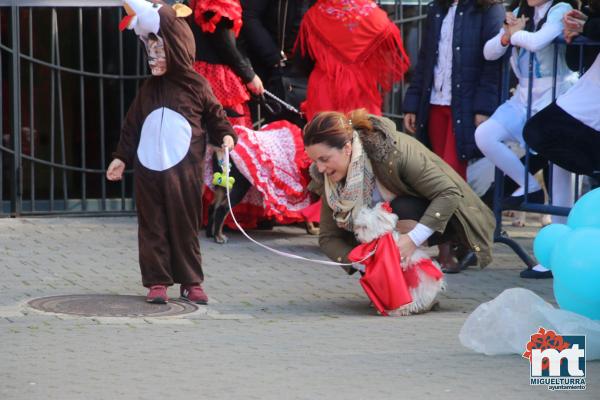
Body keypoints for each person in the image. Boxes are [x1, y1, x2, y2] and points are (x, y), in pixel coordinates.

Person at [107, 0, 236, 304]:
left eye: (160, 51)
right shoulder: (148, 89)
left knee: (184, 223)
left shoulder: (196, 85)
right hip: (148, 170)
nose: (153, 58)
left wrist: (226, 137)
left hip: (184, 170)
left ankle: (191, 280)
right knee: (152, 224)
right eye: (149, 52)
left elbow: (217, 116)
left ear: (177, 48)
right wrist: (120, 157)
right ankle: (157, 281)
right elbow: (132, 125)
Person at [303, 109, 496, 274]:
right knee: (369, 224)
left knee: (398, 209)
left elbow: (449, 193)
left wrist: (412, 239)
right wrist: (362, 262)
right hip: (393, 231)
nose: (320, 168)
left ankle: (424, 274)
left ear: (347, 148)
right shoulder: (329, 179)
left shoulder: (394, 152)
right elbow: (328, 237)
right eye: (315, 161)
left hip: (449, 218)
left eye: (325, 159)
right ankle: (392, 279)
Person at [519, 3, 600, 278]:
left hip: (588, 104)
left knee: (543, 132)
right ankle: (562, 246)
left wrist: (585, 26)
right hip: (587, 96)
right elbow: (579, 60)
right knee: (546, 139)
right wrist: (577, 33)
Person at [474, 0, 578, 212]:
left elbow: (537, 41)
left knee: (559, 171)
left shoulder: (561, 8)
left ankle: (563, 230)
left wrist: (513, 34)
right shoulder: (522, 12)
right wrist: (505, 36)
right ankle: (530, 187)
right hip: (524, 97)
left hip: (556, 97)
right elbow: (488, 51)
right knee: (485, 134)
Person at [403, 0, 505, 180]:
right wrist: (412, 103)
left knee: (452, 173)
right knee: (437, 172)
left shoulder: (490, 8)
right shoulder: (437, 7)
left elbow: (493, 66)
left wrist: (483, 108)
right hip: (435, 101)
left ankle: (456, 209)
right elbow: (425, 60)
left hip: (465, 104)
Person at [295, 0, 410, 121]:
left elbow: (302, 61)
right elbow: (391, 51)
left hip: (324, 92)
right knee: (362, 136)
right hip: (362, 93)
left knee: (323, 135)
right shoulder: (374, 14)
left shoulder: (315, 14)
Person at [189, 0, 264, 128]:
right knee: (227, 133)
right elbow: (224, 44)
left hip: (201, 72)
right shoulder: (218, 3)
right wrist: (249, 75)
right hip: (217, 77)